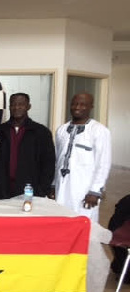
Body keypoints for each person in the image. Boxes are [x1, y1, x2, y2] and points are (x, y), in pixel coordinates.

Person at [52, 92, 111, 222]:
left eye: (83, 104)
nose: (77, 107)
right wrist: (53, 185)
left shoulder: (99, 131)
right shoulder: (62, 130)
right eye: (74, 104)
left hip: (84, 190)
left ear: (91, 107)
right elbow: (57, 160)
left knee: (85, 224)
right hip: (62, 187)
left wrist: (95, 191)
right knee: (61, 220)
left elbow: (103, 163)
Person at [0, 93, 55, 199]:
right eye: (13, 104)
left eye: (21, 104)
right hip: (1, 190)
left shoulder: (41, 132)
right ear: (9, 107)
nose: (17, 107)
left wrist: (42, 190)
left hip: (30, 191)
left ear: (28, 106)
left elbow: (48, 164)